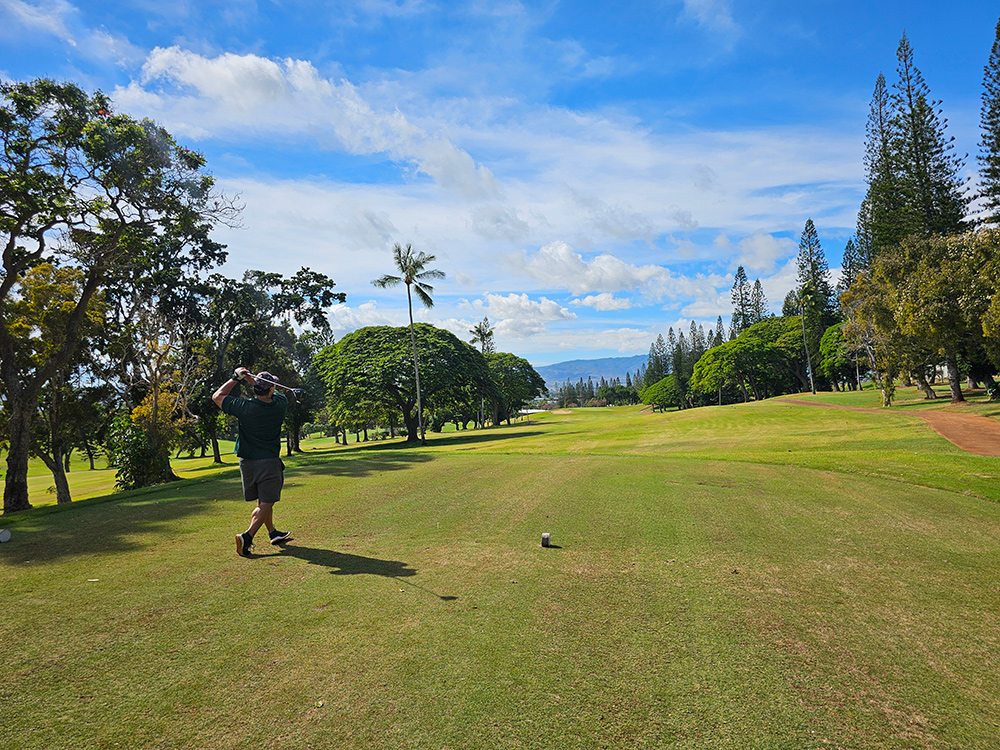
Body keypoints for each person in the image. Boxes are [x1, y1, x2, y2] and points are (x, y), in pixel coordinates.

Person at [213, 367, 293, 557]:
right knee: (266, 503)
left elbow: (217, 396)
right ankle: (247, 537)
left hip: (247, 463)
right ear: (271, 388)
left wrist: (237, 378)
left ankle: (273, 532)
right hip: (269, 462)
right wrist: (253, 379)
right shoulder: (280, 403)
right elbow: (273, 391)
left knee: (263, 500)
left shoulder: (245, 407)